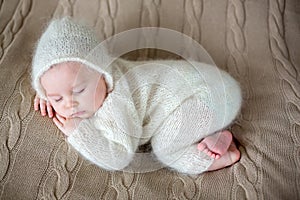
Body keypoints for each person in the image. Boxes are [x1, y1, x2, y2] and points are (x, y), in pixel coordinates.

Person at [32, 17, 241, 174]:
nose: (69, 104)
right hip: (209, 87)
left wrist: (79, 132)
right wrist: (46, 95)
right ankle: (210, 134)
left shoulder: (117, 100)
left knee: (165, 148)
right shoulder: (98, 73)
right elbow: (61, 76)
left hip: (209, 96)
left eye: (78, 91)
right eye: (56, 98)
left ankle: (225, 154)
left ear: (102, 73)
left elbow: (118, 157)